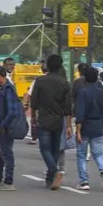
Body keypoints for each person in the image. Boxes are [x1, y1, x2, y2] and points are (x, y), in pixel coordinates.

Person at [30, 54, 72, 190]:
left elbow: (34, 102)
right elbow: (68, 107)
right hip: (58, 120)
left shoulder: (40, 81)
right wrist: (69, 125)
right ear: (60, 66)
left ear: (47, 65)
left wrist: (33, 117)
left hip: (44, 118)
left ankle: (53, 170)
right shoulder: (64, 83)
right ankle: (50, 177)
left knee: (44, 148)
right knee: (54, 149)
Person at [74, 66, 103, 191]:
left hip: (85, 125)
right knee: (98, 153)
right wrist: (102, 122)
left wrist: (78, 130)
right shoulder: (102, 93)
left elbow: (80, 112)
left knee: (81, 154)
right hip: (97, 125)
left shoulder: (83, 92)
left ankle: (84, 181)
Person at [0, 65, 22, 191]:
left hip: (6, 127)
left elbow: (12, 112)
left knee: (6, 153)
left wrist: (3, 125)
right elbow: (2, 108)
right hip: (1, 126)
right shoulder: (3, 89)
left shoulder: (8, 89)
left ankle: (8, 181)